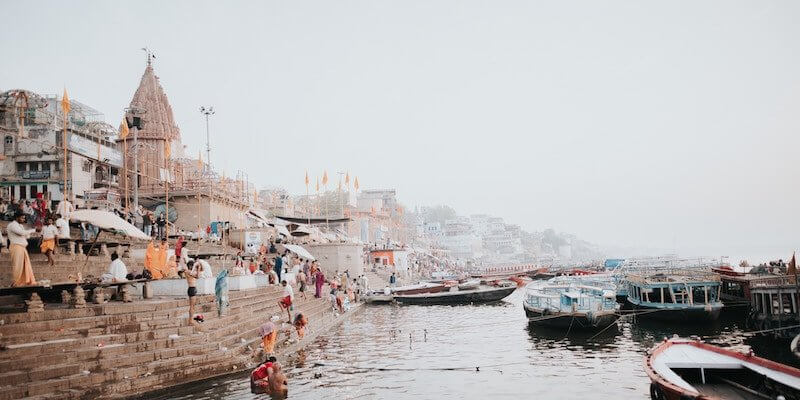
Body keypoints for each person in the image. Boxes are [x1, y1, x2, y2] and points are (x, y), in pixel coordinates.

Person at [8, 212, 38, 286]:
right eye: (22, 217)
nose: (23, 219)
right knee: (17, 265)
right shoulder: (12, 225)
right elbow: (21, 233)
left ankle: (24, 281)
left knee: (25, 265)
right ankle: (16, 282)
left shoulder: (20, 225)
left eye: (24, 218)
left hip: (22, 247)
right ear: (17, 217)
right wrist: (33, 230)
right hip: (16, 246)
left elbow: (26, 236)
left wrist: (28, 232)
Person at [185, 260, 200, 324]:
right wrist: (198, 268)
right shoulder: (188, 271)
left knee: (193, 306)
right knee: (191, 306)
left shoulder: (190, 272)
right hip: (191, 288)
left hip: (193, 288)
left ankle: (191, 320)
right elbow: (197, 276)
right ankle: (190, 321)